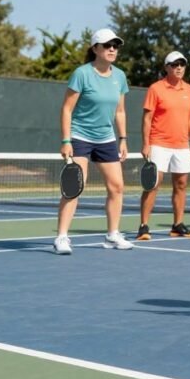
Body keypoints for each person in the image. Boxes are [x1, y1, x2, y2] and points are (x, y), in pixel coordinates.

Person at [53, 28, 134, 255]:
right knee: (75, 187)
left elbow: (120, 111)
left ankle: (112, 235)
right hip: (80, 136)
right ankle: (61, 237)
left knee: (117, 187)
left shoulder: (119, 76)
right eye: (107, 45)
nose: (112, 49)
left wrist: (123, 139)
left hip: (106, 138)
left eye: (115, 46)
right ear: (95, 49)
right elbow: (67, 109)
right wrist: (66, 140)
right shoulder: (82, 74)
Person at [136, 51, 190, 240]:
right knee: (153, 184)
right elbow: (147, 118)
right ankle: (143, 226)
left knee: (181, 184)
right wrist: (146, 143)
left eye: (182, 64)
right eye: (174, 64)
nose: (179, 67)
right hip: (159, 143)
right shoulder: (155, 88)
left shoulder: (189, 90)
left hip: (181, 145)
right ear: (166, 68)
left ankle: (177, 225)